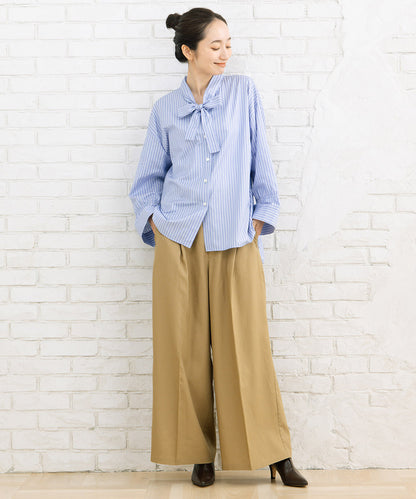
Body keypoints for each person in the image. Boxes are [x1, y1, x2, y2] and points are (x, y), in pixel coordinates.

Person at [129, 7, 308, 489]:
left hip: (235, 234)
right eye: (215, 45)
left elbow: (260, 156)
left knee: (245, 347)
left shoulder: (244, 92)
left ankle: (274, 454)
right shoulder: (165, 110)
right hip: (179, 237)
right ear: (188, 51)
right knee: (182, 351)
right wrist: (155, 221)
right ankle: (197, 455)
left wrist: (262, 212)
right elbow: (147, 179)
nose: (226, 52)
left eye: (228, 43)